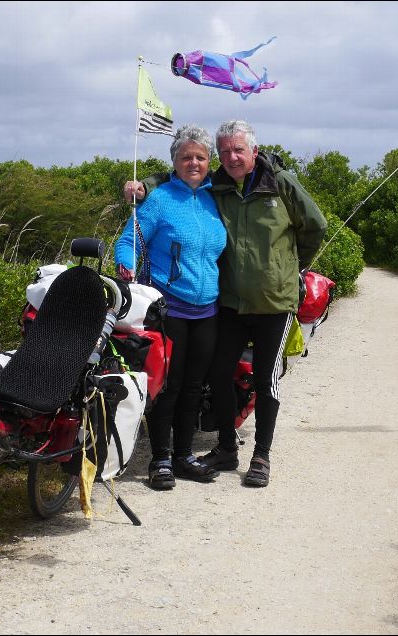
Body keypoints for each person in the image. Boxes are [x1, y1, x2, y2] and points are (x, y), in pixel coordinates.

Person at [124, 120, 327, 487]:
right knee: (206, 377)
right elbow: (174, 181)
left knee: (262, 379)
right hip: (220, 304)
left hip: (268, 302)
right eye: (224, 152)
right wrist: (144, 186)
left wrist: (291, 266)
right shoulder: (219, 188)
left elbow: (316, 226)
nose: (230, 157)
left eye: (237, 150)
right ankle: (213, 450)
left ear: (254, 150)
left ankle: (259, 456)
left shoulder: (277, 184)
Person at [115, 124, 227, 490]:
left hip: (208, 309)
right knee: (168, 386)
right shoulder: (161, 199)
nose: (193, 163)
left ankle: (184, 455)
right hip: (169, 308)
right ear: (174, 162)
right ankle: (159, 460)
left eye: (200, 157)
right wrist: (125, 262)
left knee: (195, 386)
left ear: (209, 162)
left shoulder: (216, 199)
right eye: (186, 157)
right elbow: (130, 238)